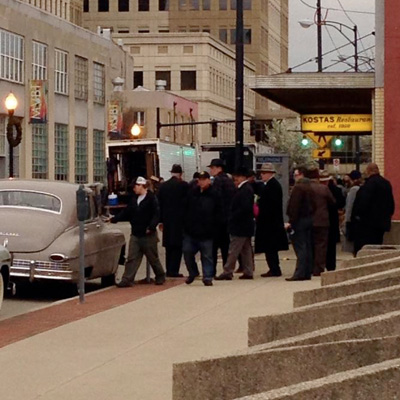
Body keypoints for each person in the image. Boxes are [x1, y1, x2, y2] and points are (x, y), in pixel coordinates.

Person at [110, 177, 166, 287]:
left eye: (135, 186)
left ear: (141, 186)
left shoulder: (151, 198)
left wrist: (151, 226)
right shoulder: (134, 199)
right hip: (135, 233)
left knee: (152, 257)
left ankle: (160, 275)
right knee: (132, 257)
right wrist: (114, 219)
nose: (134, 189)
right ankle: (127, 279)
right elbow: (127, 212)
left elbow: (156, 214)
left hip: (148, 234)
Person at [183, 171, 223, 286]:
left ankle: (207, 276)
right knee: (187, 252)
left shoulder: (214, 194)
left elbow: (219, 212)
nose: (201, 182)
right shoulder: (192, 193)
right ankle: (193, 272)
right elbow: (185, 209)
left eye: (204, 179)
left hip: (207, 232)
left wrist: (215, 227)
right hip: (191, 231)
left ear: (208, 180)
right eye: (199, 179)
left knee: (207, 255)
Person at [215, 167, 255, 280]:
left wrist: (232, 217)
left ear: (242, 177)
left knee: (233, 249)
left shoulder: (245, 189)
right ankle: (248, 270)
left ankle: (228, 271)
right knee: (246, 249)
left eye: (236, 177)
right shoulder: (245, 188)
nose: (235, 179)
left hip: (240, 225)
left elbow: (244, 208)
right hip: (245, 225)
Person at [352, 163, 395, 255]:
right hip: (382, 222)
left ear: (369, 171)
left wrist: (357, 216)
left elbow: (363, 203)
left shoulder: (368, 185)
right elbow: (391, 203)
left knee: (366, 246)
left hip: (368, 223)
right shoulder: (386, 183)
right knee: (377, 244)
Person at [255, 163, 288, 277]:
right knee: (270, 248)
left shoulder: (272, 186)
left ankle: (274, 269)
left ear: (270, 173)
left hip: (270, 223)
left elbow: (270, 205)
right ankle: (273, 268)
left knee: (270, 248)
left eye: (264, 173)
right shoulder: (270, 185)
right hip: (270, 222)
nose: (261, 175)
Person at [158, 164, 189, 278]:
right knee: (177, 246)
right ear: (180, 174)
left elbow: (159, 204)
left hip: (167, 220)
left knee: (168, 247)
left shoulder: (163, 186)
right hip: (180, 221)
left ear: (171, 173)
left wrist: (160, 221)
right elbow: (187, 204)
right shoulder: (184, 185)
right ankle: (174, 270)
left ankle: (168, 270)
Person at [285, 169, 316, 281]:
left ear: (302, 175)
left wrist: (290, 221)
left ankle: (299, 273)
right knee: (307, 246)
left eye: (296, 175)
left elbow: (294, 206)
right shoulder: (310, 187)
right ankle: (307, 272)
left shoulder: (298, 188)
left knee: (300, 247)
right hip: (309, 219)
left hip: (299, 221)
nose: (295, 177)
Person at [304, 167, 335, 276]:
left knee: (309, 244)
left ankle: (310, 266)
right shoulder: (323, 189)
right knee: (321, 245)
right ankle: (319, 268)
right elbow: (332, 202)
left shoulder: (303, 188)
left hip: (307, 221)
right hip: (322, 221)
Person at [208, 158, 236, 275]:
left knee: (213, 248)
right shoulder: (229, 180)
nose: (211, 171)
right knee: (226, 247)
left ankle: (212, 271)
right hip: (227, 218)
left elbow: (215, 199)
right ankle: (227, 269)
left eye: (212, 168)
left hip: (217, 219)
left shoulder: (218, 181)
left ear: (219, 168)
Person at [320, 171, 345, 271]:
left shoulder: (318, 189)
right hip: (332, 220)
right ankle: (331, 265)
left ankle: (322, 264)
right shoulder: (336, 190)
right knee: (331, 245)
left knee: (321, 244)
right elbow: (341, 203)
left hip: (323, 219)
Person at [342, 170, 362, 256]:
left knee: (352, 243)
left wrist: (346, 220)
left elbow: (349, 205)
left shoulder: (353, 189)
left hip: (352, 220)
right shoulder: (361, 188)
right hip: (358, 219)